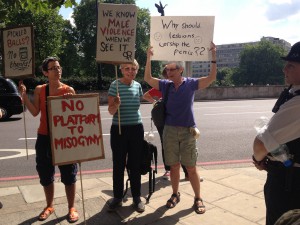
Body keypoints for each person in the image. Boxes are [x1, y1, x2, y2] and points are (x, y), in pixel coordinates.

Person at [144, 42, 217, 214]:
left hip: (187, 131)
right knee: (174, 166)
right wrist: (148, 57)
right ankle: (175, 194)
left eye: (172, 70)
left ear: (180, 70)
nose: (168, 73)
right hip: (169, 130)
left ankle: (198, 197)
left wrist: (213, 57)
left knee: (191, 167)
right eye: (167, 70)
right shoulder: (165, 85)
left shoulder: (191, 84)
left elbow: (211, 78)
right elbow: (147, 78)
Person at [18, 57, 79, 223]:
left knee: (69, 174)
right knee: (45, 174)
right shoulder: (40, 90)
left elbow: (76, 118)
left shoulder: (69, 90)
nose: (57, 70)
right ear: (45, 72)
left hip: (64, 137)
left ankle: (71, 208)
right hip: (44, 137)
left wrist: (70, 103)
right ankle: (49, 205)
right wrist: (24, 96)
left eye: (59, 67)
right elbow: (35, 112)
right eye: (53, 68)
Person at [252, 41, 300, 225]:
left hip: (289, 185)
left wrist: (258, 158)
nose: (284, 69)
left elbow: (260, 144)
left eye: (291, 65)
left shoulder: (297, 103)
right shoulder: (293, 93)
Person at [107, 59, 145, 213]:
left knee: (135, 163)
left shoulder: (138, 86)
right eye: (127, 68)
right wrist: (115, 103)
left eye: (133, 68)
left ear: (137, 70)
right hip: (119, 129)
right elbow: (110, 111)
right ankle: (117, 197)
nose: (130, 71)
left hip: (136, 128)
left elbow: (137, 106)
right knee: (118, 164)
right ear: (121, 70)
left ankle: (136, 197)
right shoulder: (114, 85)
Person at [143, 67, 189, 180]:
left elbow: (146, 95)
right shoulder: (175, 85)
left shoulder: (162, 86)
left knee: (167, 145)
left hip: (163, 120)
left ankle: (169, 170)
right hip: (171, 120)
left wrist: (155, 102)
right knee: (179, 145)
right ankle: (186, 172)